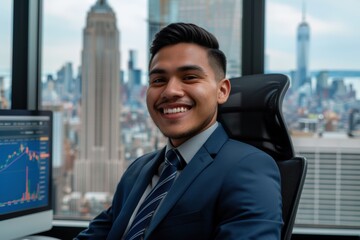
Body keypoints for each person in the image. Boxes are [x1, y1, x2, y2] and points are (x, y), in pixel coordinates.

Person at [75, 22, 282, 240]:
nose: (170, 91)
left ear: (222, 91)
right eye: (158, 80)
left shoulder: (249, 168)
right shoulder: (138, 169)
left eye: (190, 77)